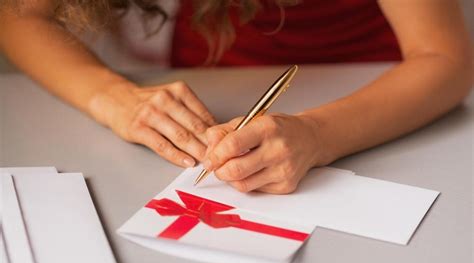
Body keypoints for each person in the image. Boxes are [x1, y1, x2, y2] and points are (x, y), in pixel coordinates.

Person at [0, 0, 472, 194]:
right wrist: (112, 96)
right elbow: (17, 15)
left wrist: (317, 133)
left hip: (376, 87)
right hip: (212, 70)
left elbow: (447, 58)